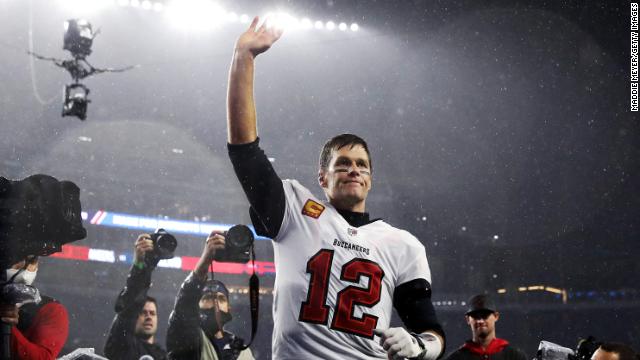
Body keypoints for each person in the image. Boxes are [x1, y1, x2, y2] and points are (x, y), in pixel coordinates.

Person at [225, 16, 446, 359]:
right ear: (322, 178)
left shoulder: (401, 244)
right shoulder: (296, 212)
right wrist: (243, 58)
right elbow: (245, 152)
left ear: (371, 179)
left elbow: (433, 333)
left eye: (361, 165)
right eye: (342, 164)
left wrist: (419, 345)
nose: (353, 171)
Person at [166, 231, 253, 360]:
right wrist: (205, 260)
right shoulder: (188, 337)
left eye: (221, 298)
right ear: (196, 305)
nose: (215, 302)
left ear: (229, 308)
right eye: (208, 298)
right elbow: (184, 305)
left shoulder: (242, 350)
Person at [104, 234, 167, 360]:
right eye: (143, 313)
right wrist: (140, 265)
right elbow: (130, 304)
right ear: (134, 316)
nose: (149, 316)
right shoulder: (121, 345)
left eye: (152, 313)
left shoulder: (164, 356)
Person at [0, 256, 69, 359]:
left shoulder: (50, 309)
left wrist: (8, 327)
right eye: (17, 259)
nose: (25, 267)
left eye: (31, 260)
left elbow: (42, 357)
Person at [445, 294, 526, 360]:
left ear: (496, 316)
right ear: (467, 319)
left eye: (485, 315)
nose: (480, 321)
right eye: (475, 316)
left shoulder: (514, 356)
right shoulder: (456, 358)